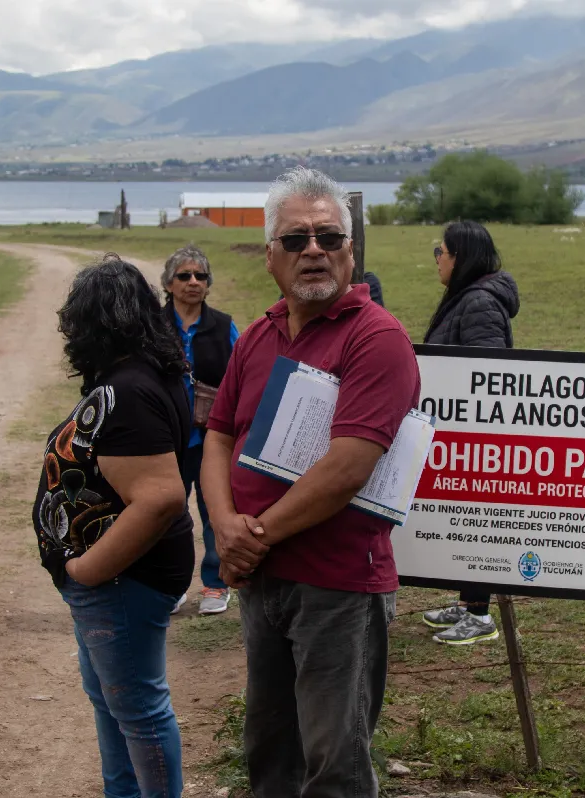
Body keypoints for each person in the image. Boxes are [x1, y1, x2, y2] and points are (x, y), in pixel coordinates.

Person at [201, 167, 420, 798]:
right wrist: (223, 527)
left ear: (351, 252)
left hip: (337, 586)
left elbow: (348, 466)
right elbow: (217, 435)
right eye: (296, 240)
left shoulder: (377, 339)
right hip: (262, 577)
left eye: (328, 237)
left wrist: (252, 536)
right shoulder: (261, 335)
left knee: (335, 765)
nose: (314, 250)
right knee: (270, 752)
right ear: (271, 256)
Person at [33, 256, 195, 797]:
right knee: (114, 699)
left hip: (124, 576)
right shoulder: (146, 375)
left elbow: (160, 497)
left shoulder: (126, 391)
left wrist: (85, 569)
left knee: (138, 708)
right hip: (122, 578)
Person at [419, 221, 519, 646]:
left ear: (461, 256)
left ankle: (480, 614)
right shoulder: (468, 297)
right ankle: (467, 603)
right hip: (457, 432)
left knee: (476, 518)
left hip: (474, 438)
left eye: (440, 251)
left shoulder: (478, 302)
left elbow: (489, 376)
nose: (436, 259)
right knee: (461, 517)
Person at [160, 244, 239, 616]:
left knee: (214, 513)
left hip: (212, 442)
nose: (193, 282)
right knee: (166, 515)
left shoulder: (224, 326)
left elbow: (242, 376)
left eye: (200, 276)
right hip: (165, 440)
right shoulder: (153, 327)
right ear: (169, 283)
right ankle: (170, 585)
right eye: (184, 276)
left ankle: (216, 584)